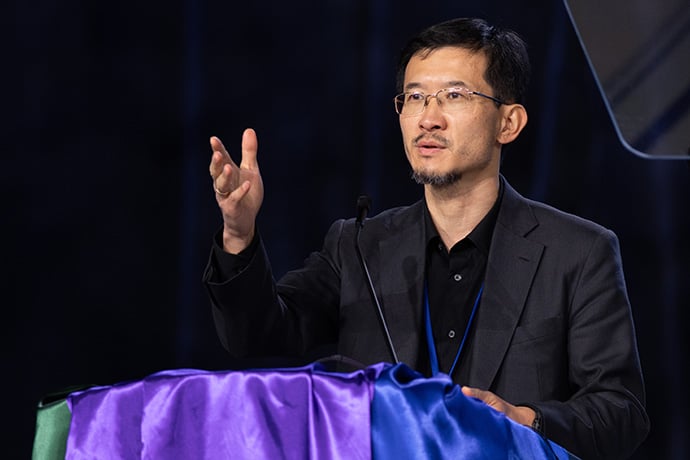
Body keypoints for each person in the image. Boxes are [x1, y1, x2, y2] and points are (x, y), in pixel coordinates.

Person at [203, 17, 649, 459]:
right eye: (414, 97)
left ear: (508, 123)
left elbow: (621, 413)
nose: (428, 118)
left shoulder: (578, 251)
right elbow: (258, 338)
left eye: (454, 95)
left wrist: (524, 420)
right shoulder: (358, 245)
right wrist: (238, 233)